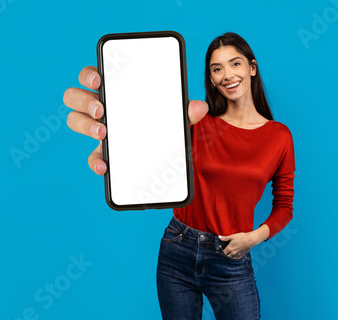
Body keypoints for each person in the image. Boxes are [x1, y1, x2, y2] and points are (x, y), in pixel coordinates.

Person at [63, 32, 295, 320]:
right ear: (211, 79)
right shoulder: (195, 122)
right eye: (217, 68)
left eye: (235, 64)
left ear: (252, 67)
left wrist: (254, 237)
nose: (227, 75)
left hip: (231, 258)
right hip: (178, 249)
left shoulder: (278, 136)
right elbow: (150, 141)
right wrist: (116, 139)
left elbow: (284, 205)